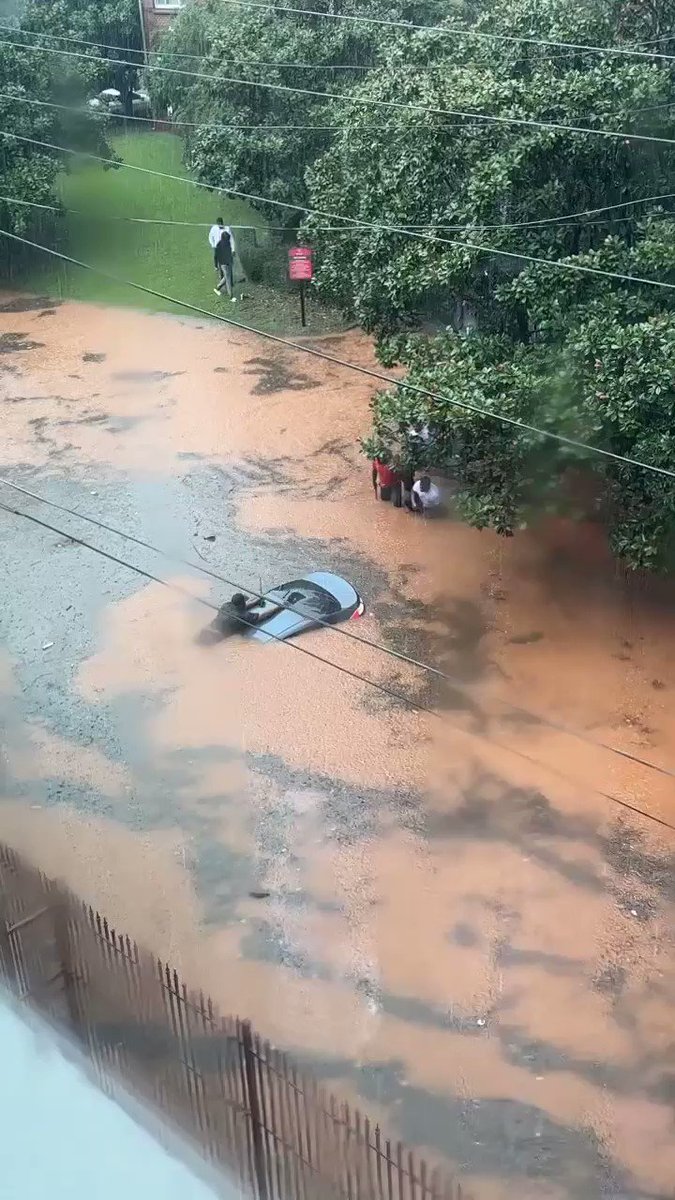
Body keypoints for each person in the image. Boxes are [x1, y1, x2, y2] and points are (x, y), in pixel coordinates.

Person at [213, 227, 236, 301]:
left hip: (227, 262)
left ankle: (219, 286)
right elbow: (216, 256)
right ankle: (231, 296)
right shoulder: (219, 245)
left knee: (227, 276)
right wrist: (216, 266)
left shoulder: (224, 243)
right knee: (228, 279)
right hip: (224, 263)